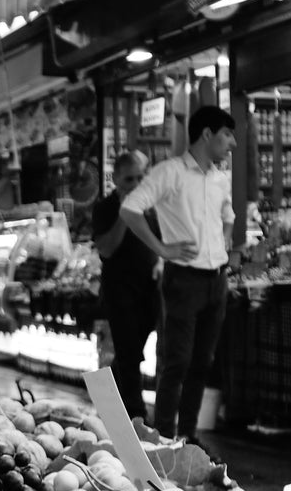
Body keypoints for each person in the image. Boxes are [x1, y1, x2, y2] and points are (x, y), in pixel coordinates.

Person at [120, 106, 238, 441]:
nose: (231, 143)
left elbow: (228, 216)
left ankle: (188, 437)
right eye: (227, 135)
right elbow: (130, 209)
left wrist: (224, 247)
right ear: (206, 134)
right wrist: (162, 249)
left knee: (203, 363)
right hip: (183, 280)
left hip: (217, 281)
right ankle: (165, 437)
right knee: (177, 362)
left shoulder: (219, 178)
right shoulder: (169, 172)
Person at [92, 151, 161, 422]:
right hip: (119, 290)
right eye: (129, 179)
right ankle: (137, 415)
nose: (136, 183)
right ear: (117, 180)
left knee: (132, 351)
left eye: (141, 177)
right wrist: (125, 213)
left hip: (150, 288)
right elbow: (107, 249)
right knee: (129, 353)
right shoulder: (105, 208)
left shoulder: (154, 206)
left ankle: (109, 392)